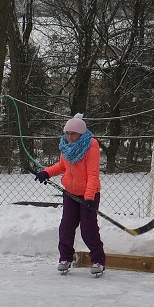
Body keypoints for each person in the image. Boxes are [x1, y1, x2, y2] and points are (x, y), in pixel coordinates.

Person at [34, 113, 106, 275]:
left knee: (88, 229)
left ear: (81, 134)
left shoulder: (91, 146)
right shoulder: (66, 147)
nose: (68, 136)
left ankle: (98, 260)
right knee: (66, 226)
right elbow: (62, 166)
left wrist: (89, 198)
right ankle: (65, 258)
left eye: (72, 133)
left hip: (89, 195)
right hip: (70, 194)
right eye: (67, 133)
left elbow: (93, 175)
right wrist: (46, 172)